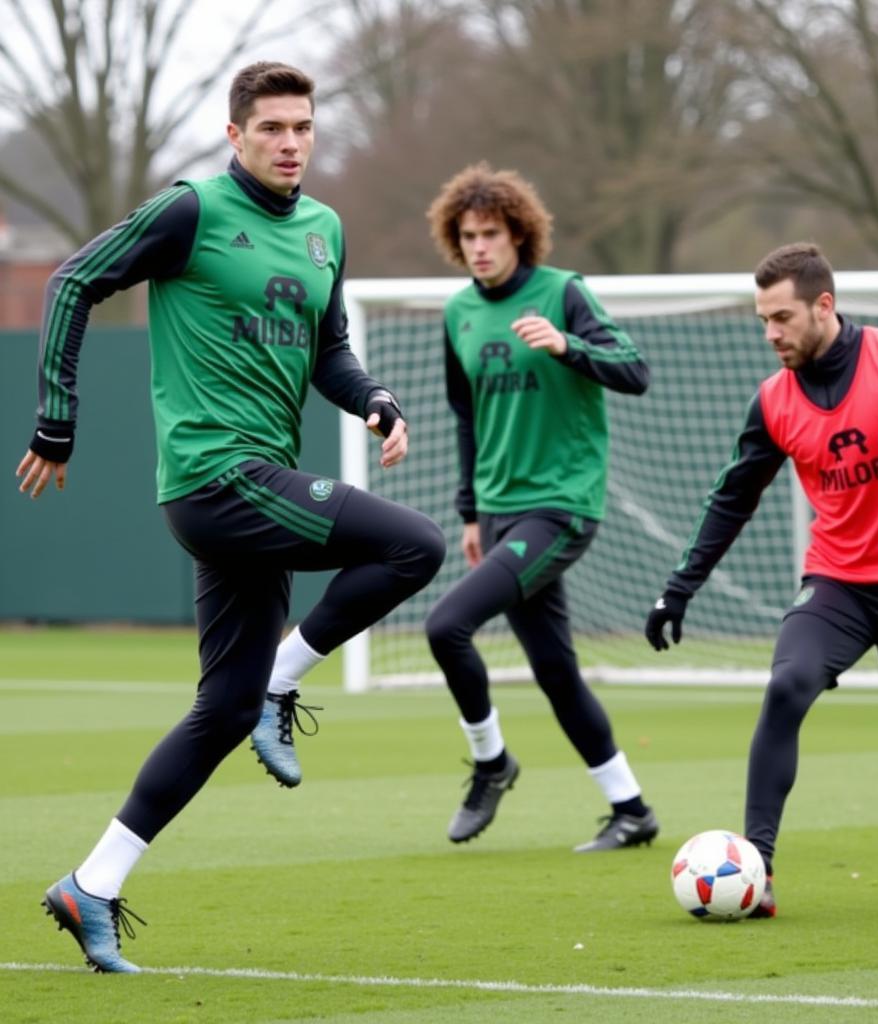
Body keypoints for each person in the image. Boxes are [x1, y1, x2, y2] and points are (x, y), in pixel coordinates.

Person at [17, 62, 446, 972]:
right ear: (235, 135)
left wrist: (372, 398)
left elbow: (328, 350)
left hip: (257, 485)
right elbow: (71, 282)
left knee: (222, 708)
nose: (291, 142)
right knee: (417, 546)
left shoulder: (326, 230)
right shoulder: (192, 211)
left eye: (303, 127)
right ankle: (289, 681)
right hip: (217, 478)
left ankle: (91, 886)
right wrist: (57, 420)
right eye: (273, 128)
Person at [644, 242, 878, 916]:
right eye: (763, 319)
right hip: (839, 582)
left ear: (824, 306)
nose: (771, 334)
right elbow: (732, 498)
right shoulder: (773, 400)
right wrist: (680, 586)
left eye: (782, 317)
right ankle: (758, 870)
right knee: (787, 685)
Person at [419, 162, 658, 852]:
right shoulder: (458, 312)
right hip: (497, 511)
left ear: (519, 234)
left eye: (491, 233)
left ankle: (491, 763)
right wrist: (469, 513)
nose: (479, 247)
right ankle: (632, 810)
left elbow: (635, 371)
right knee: (556, 672)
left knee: (445, 626)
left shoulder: (564, 294)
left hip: (559, 507)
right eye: (467, 236)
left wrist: (568, 345)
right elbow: (465, 417)